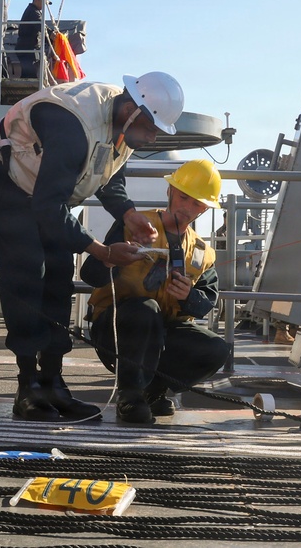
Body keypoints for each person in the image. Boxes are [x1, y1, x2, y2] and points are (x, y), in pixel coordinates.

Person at [0, 72, 185, 422]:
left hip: (46, 195)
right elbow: (47, 206)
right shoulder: (72, 123)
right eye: (151, 126)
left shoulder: (123, 127)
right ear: (132, 109)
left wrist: (129, 214)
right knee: (26, 275)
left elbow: (108, 175)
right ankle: (27, 387)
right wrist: (102, 251)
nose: (152, 136)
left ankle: (52, 381)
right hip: (7, 183)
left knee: (58, 277)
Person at [80, 160, 231, 424]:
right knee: (144, 310)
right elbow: (90, 275)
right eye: (184, 196)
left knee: (216, 348)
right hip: (117, 330)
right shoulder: (133, 225)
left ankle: (152, 391)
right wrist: (111, 257)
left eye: (197, 203)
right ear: (170, 191)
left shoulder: (202, 252)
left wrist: (189, 297)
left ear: (205, 208)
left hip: (161, 335)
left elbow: (207, 300)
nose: (187, 208)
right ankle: (130, 396)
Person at [16, 0, 46, 79]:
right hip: (27, 48)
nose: (43, 5)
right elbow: (40, 25)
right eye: (42, 2)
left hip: (27, 48)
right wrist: (51, 34)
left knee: (28, 73)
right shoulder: (33, 11)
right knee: (30, 74)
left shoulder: (32, 11)